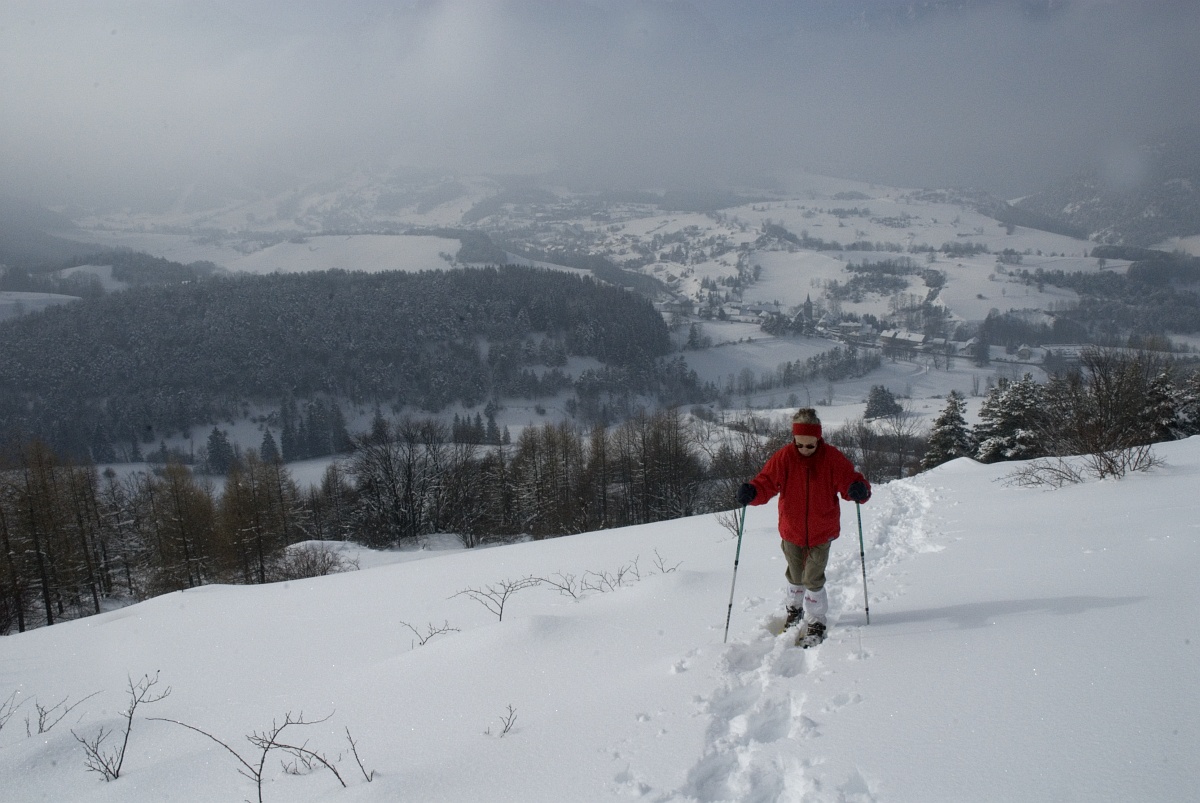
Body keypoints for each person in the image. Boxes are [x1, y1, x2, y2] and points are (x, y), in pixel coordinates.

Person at [736, 408, 871, 647]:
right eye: (800, 445)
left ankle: (816, 621)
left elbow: (850, 480)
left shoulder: (831, 458)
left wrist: (858, 489)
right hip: (792, 529)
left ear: (818, 439)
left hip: (822, 530)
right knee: (795, 575)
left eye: (810, 445)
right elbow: (766, 482)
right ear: (794, 439)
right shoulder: (785, 457)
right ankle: (795, 609)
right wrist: (753, 491)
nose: (805, 450)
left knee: (812, 578)